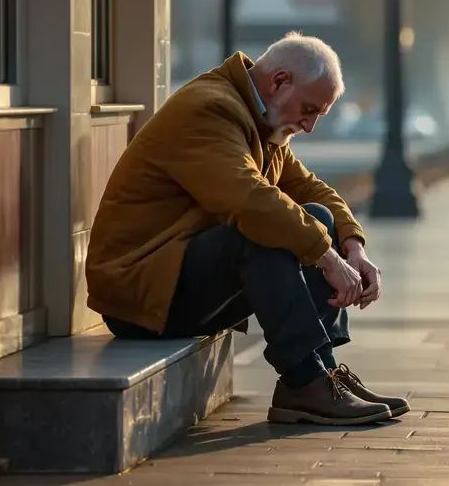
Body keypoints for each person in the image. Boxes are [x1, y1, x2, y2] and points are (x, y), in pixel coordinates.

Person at [85, 32, 408, 426]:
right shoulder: (208, 110)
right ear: (279, 81)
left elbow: (310, 190)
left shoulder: (259, 119)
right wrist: (328, 259)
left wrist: (353, 247)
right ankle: (303, 380)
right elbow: (249, 200)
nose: (308, 127)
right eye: (308, 110)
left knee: (317, 217)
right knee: (259, 233)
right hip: (140, 296)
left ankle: (322, 372)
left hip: (174, 281)